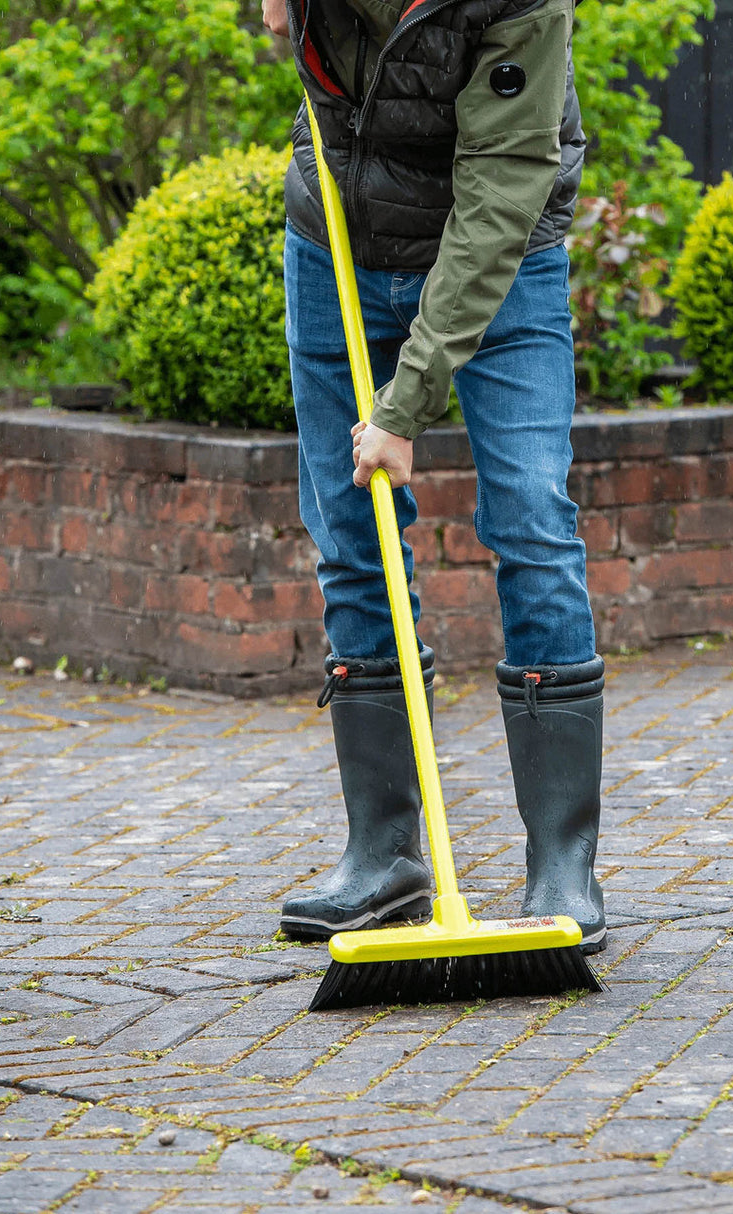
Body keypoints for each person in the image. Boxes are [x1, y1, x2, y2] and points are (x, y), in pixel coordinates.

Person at [265, 0, 607, 954]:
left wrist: (405, 406)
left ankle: (562, 861)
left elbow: (500, 195)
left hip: (502, 255)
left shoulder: (521, 5)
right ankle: (383, 856)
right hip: (338, 237)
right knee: (349, 531)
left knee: (533, 519)